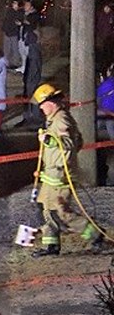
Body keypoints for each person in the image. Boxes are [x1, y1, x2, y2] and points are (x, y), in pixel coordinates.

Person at [30, 84, 109, 256]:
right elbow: (78, 141)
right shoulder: (54, 119)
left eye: (42, 104)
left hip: (60, 177)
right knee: (46, 210)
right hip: (51, 175)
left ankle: (95, 236)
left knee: (62, 213)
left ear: (50, 102)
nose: (41, 108)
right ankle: (52, 246)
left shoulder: (61, 119)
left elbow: (71, 143)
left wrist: (49, 141)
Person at [19, 30, 44, 128]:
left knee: (32, 99)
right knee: (30, 99)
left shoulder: (33, 50)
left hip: (32, 81)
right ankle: (31, 117)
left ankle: (34, 119)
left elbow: (33, 67)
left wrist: (30, 81)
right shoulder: (33, 49)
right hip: (31, 80)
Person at [18, 0, 42, 75]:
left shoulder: (34, 14)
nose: (25, 7)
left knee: (29, 53)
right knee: (22, 52)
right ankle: (23, 67)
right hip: (22, 35)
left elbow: (31, 24)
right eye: (25, 5)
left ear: (31, 7)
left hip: (29, 37)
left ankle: (29, 69)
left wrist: (23, 22)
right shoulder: (24, 14)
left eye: (27, 5)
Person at [0, 0, 23, 69]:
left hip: (14, 33)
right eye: (13, 3)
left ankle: (15, 63)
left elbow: (20, 21)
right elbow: (6, 22)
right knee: (7, 49)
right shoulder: (9, 12)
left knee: (14, 49)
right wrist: (5, 29)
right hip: (8, 33)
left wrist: (19, 23)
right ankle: (6, 63)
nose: (14, 5)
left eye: (16, 3)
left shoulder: (20, 12)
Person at [96, 3, 114, 72]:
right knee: (103, 54)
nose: (108, 9)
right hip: (102, 38)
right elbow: (98, 26)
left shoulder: (111, 15)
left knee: (108, 53)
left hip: (109, 38)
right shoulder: (100, 15)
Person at [98, 65, 114, 141]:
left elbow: (98, 95)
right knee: (111, 128)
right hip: (110, 112)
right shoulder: (108, 84)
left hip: (102, 111)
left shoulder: (105, 84)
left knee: (95, 127)